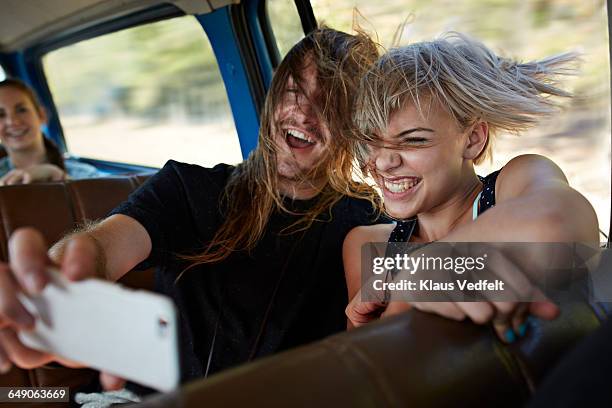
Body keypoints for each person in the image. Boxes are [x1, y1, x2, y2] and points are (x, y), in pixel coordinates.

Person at [0, 28, 380, 390]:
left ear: (356, 125)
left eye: (329, 104)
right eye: (294, 91)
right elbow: (102, 247)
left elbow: (385, 329)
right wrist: (55, 289)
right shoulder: (188, 189)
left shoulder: (367, 219)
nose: (302, 113)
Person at [343, 33, 599, 342]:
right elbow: (364, 366)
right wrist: (363, 327)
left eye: (413, 140)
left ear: (473, 139)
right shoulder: (367, 245)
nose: (383, 163)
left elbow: (558, 222)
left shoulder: (515, 183)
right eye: (371, 142)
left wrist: (425, 268)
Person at [0, 78, 100, 185]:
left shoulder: (84, 174)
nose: (12, 121)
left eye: (21, 110)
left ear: (41, 115)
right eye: (0, 115)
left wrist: (57, 176)